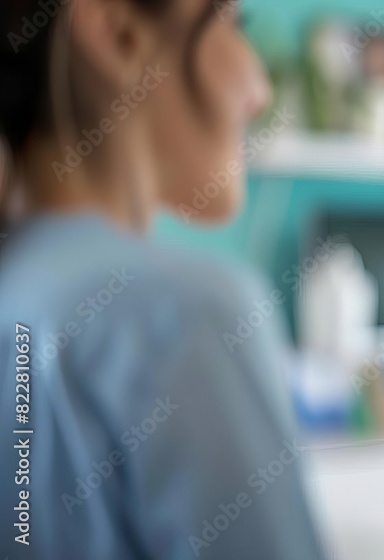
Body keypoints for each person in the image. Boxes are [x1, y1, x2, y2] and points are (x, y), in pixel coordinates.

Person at [0, 0, 324, 558]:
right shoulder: (179, 313)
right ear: (117, 34)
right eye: (232, 22)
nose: (260, 88)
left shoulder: (22, 291)